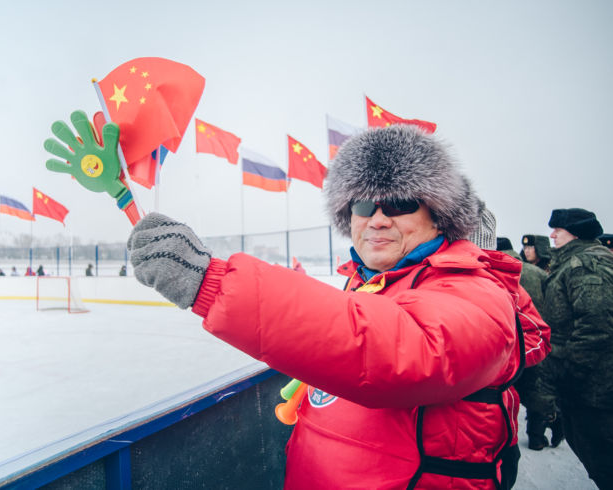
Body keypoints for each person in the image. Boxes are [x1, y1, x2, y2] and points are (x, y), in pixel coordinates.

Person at [128, 125, 535, 489]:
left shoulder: (477, 289)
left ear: (439, 216)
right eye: (362, 207)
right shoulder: (368, 285)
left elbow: (402, 352)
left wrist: (214, 285)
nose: (376, 219)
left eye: (398, 204)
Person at [539, 208, 613, 489]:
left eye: (559, 229)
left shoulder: (585, 264)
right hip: (586, 389)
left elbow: (597, 328)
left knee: (604, 463)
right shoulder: (575, 261)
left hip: (593, 391)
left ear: (577, 233)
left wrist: (570, 373)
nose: (552, 235)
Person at [497, 237, 562, 450]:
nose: (527, 249)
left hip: (509, 342)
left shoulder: (497, 271)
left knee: (513, 389)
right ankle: (538, 433)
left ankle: (514, 435)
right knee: (536, 388)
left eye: (530, 246)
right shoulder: (538, 274)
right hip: (538, 338)